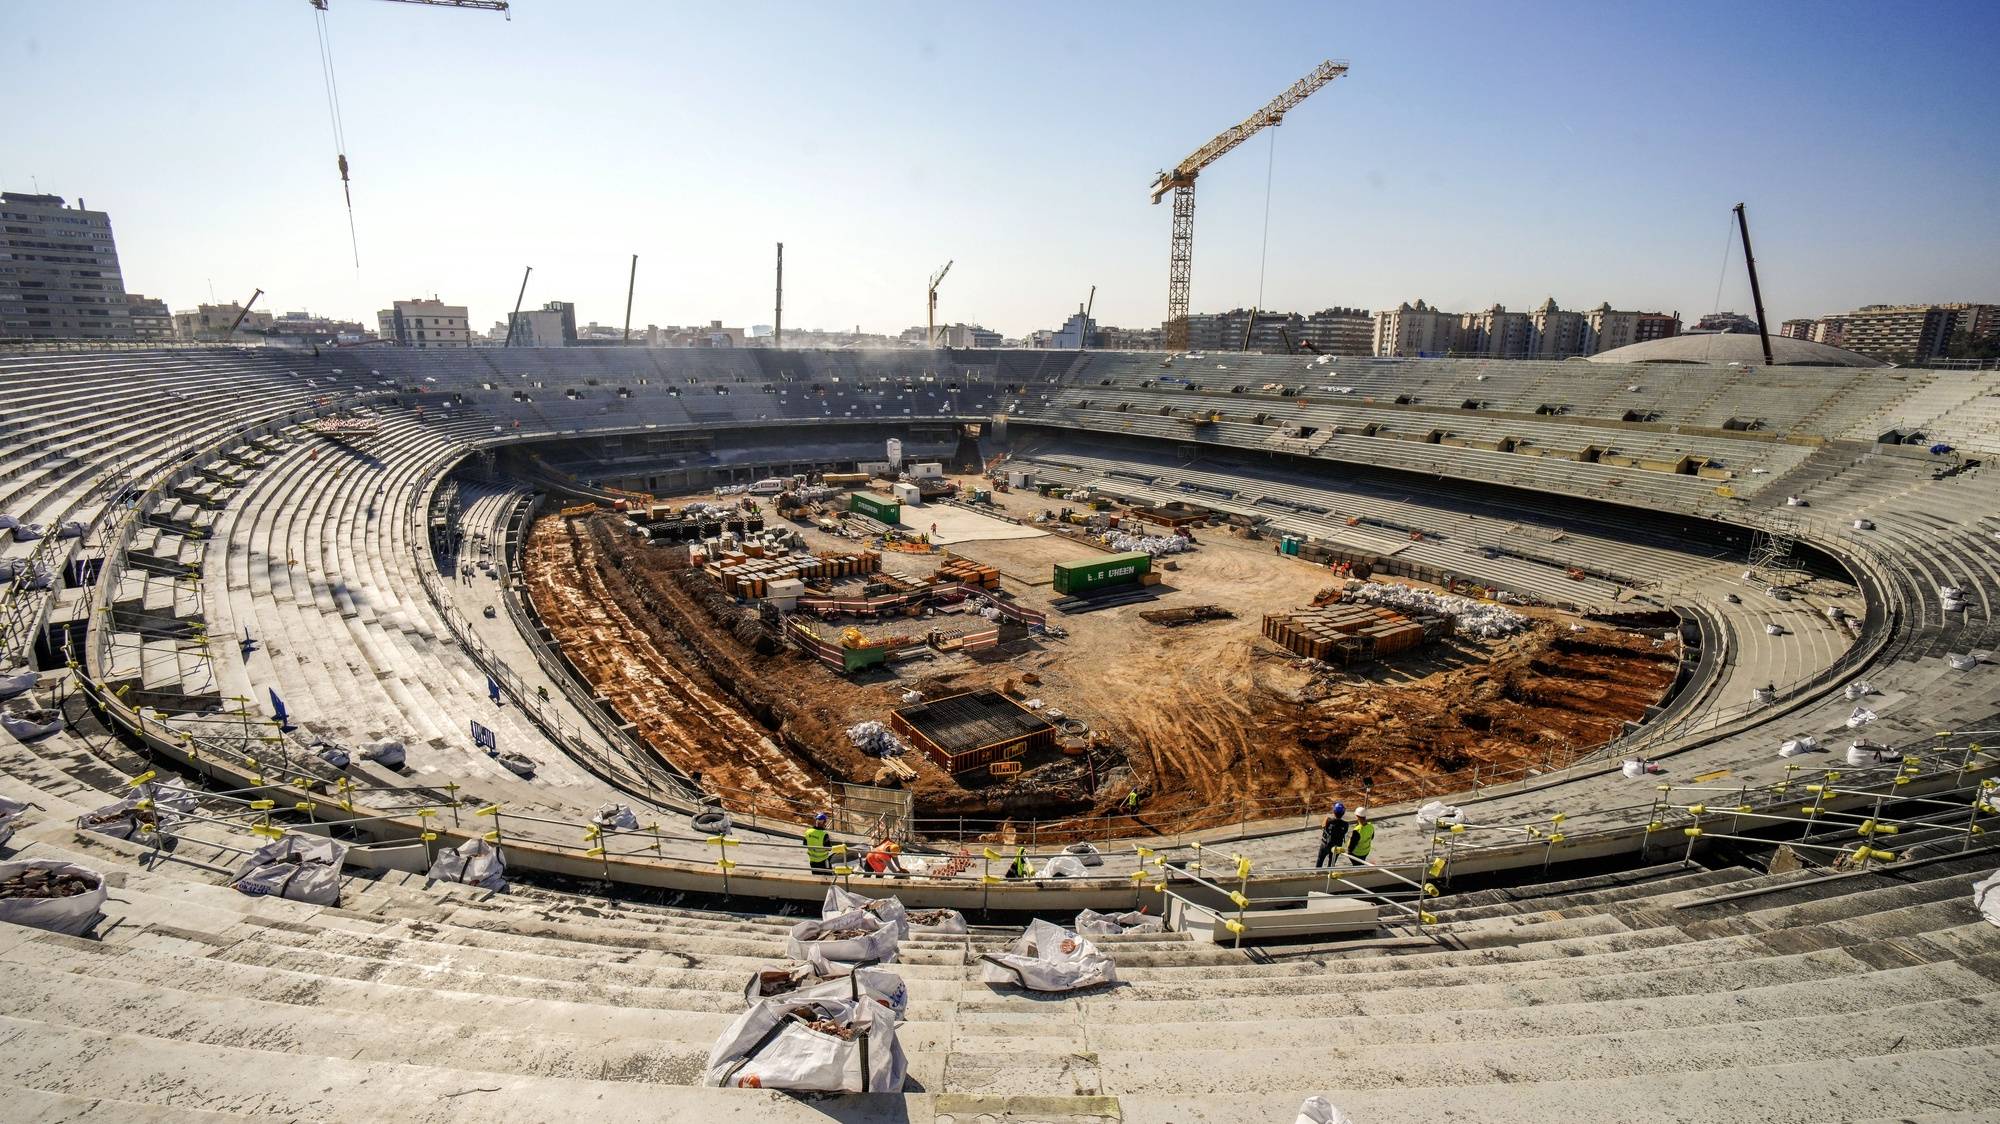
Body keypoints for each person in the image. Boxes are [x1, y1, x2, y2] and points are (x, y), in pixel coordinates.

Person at [1314, 801, 1349, 869]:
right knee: (1331, 863)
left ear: (1334, 811)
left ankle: (1318, 873)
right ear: (1343, 813)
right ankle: (1329, 874)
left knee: (1320, 860)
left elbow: (1323, 826)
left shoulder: (1328, 821)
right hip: (1336, 846)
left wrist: (1326, 818)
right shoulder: (1345, 824)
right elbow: (1344, 832)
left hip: (1325, 844)